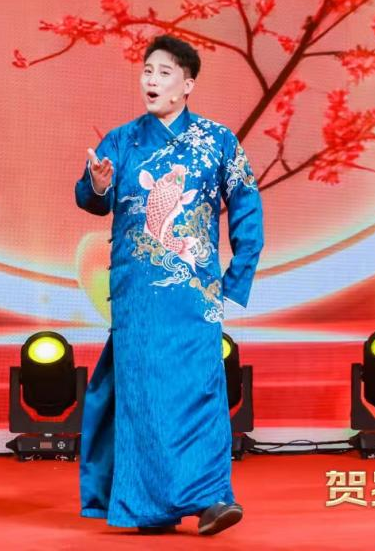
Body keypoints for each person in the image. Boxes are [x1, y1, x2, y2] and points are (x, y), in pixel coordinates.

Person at [76, 35, 264, 535]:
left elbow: (247, 205)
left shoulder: (218, 141)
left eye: (163, 73)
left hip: (195, 293)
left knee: (200, 391)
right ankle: (149, 506)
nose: (152, 81)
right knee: (143, 396)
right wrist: (98, 184)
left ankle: (212, 499)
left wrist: (235, 277)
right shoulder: (121, 141)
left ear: (187, 84)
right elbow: (92, 200)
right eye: (147, 71)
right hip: (137, 293)